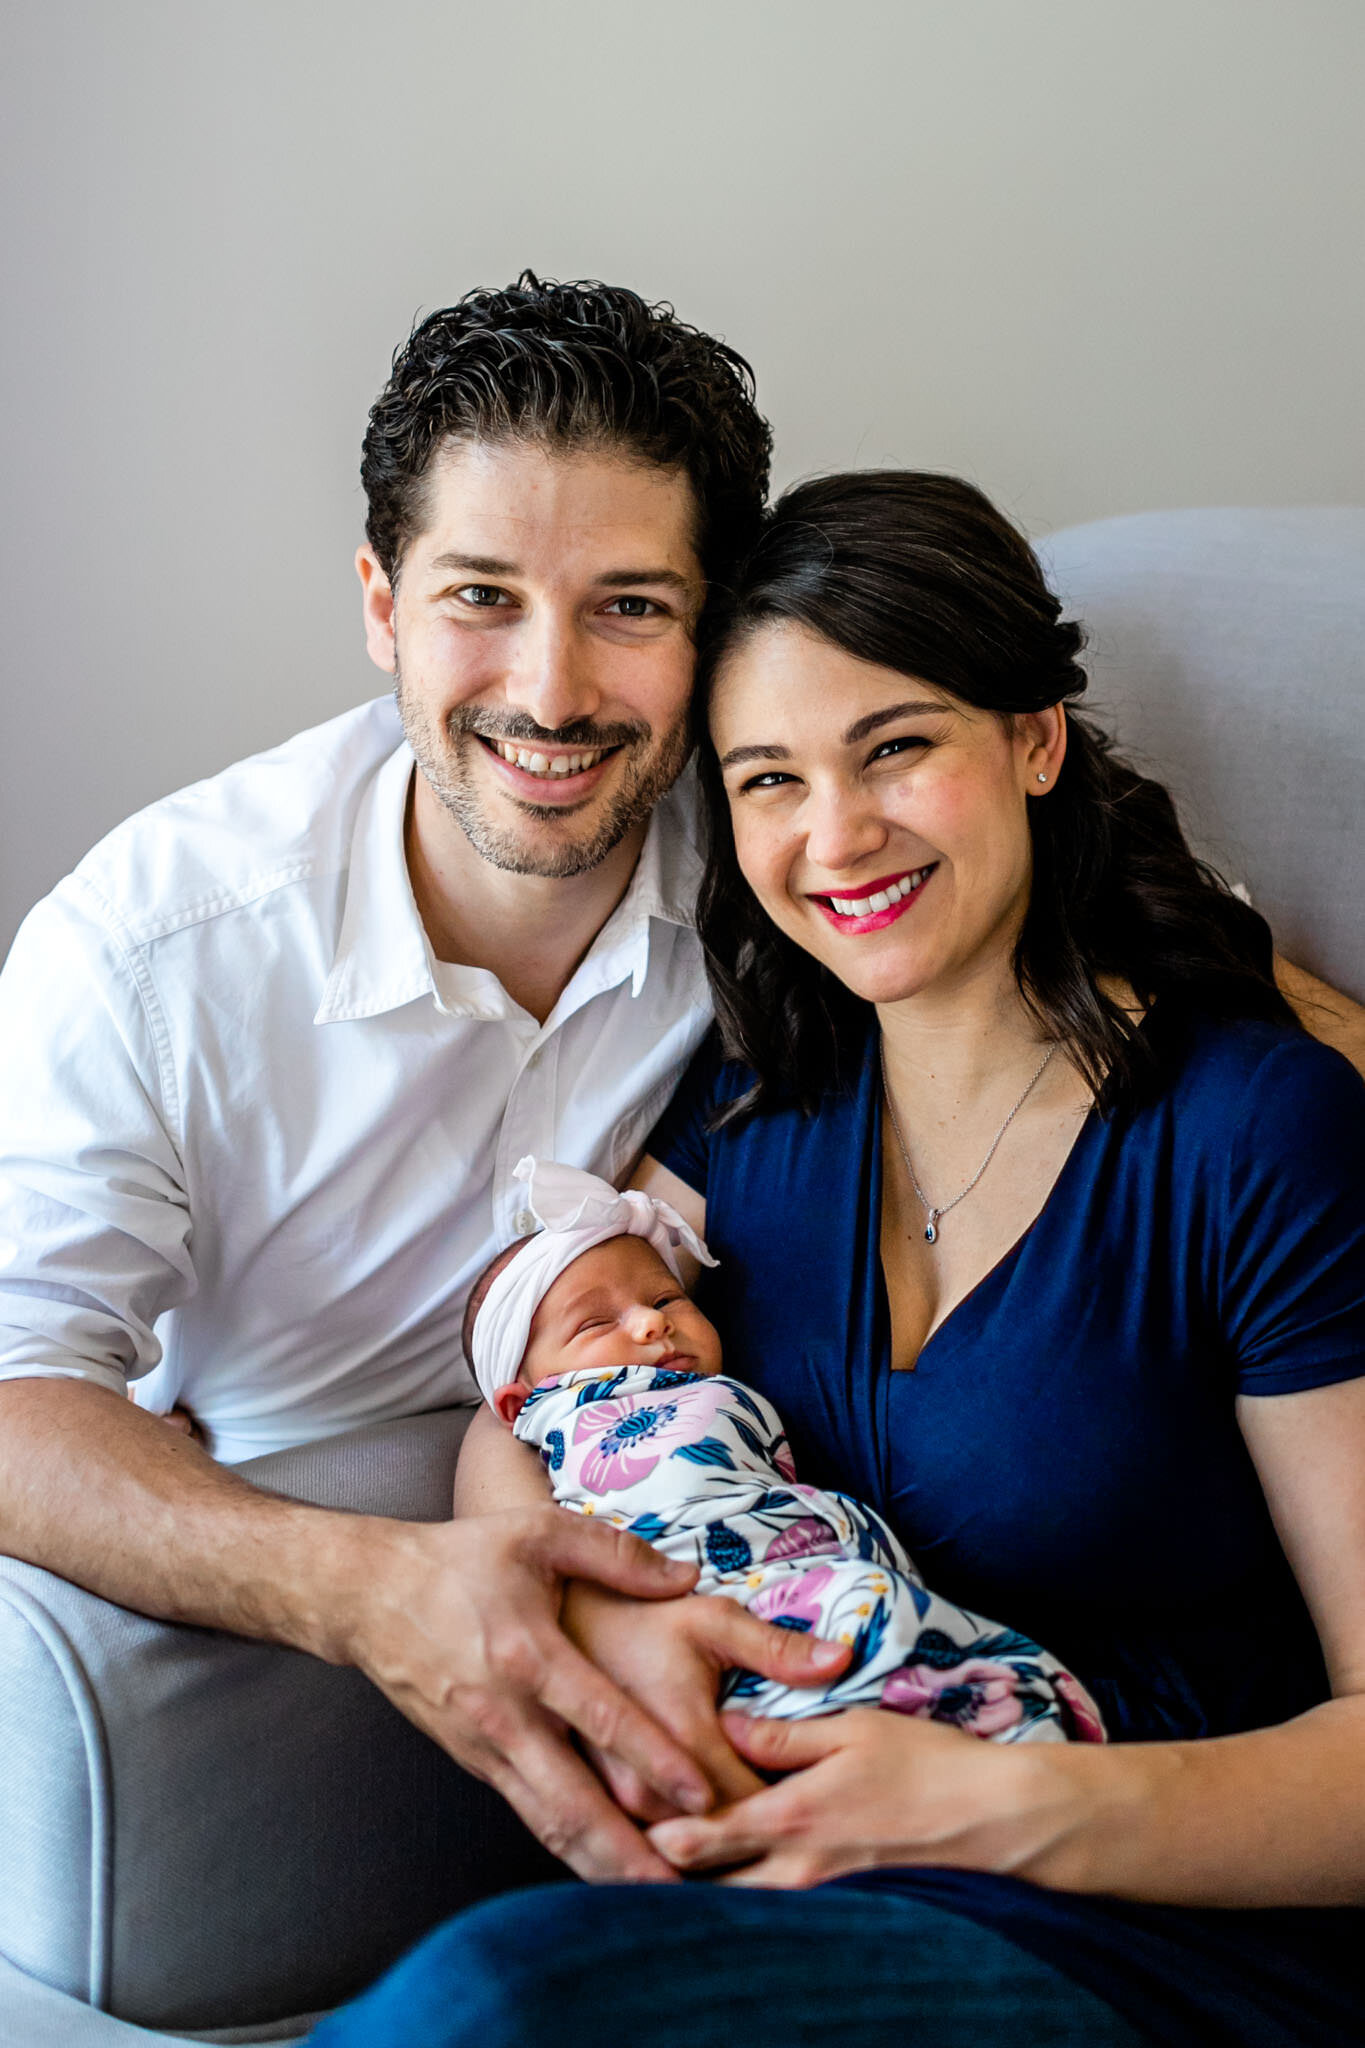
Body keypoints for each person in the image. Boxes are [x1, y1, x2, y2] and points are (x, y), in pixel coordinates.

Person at [324, 472, 1365, 2047]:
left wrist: (995, 1807)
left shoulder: (1248, 1128)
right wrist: (601, 1617)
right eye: (767, 780)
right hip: (787, 1881)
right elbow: (543, 1392)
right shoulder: (757, 1104)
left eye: (895, 749)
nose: (835, 836)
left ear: (1032, 738)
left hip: (1148, 1938)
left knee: (495, 2002)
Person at [0, 275, 848, 1887]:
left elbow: (1108, 906)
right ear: (382, 605)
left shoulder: (775, 845)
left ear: (711, 627)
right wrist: (377, 1590)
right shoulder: (150, 950)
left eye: (630, 606)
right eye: (480, 596)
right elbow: (12, 1384)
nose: (549, 692)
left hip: (751, 1551)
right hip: (298, 1659)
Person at [470, 1154, 1104, 1743]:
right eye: (595, 1324)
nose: (650, 1322)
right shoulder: (566, 1417)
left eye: (667, 1298)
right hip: (708, 1589)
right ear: (518, 1403)